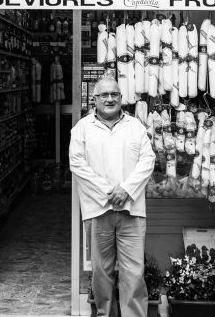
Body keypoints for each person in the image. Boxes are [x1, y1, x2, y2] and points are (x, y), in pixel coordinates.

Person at [69, 78, 155, 317]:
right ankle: (105, 313)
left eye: (114, 94)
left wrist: (126, 190)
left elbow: (148, 161)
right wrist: (109, 192)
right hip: (99, 211)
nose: (109, 99)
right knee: (101, 272)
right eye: (104, 95)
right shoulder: (82, 128)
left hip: (131, 210)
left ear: (121, 98)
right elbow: (77, 165)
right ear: (94, 99)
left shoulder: (135, 126)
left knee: (134, 272)